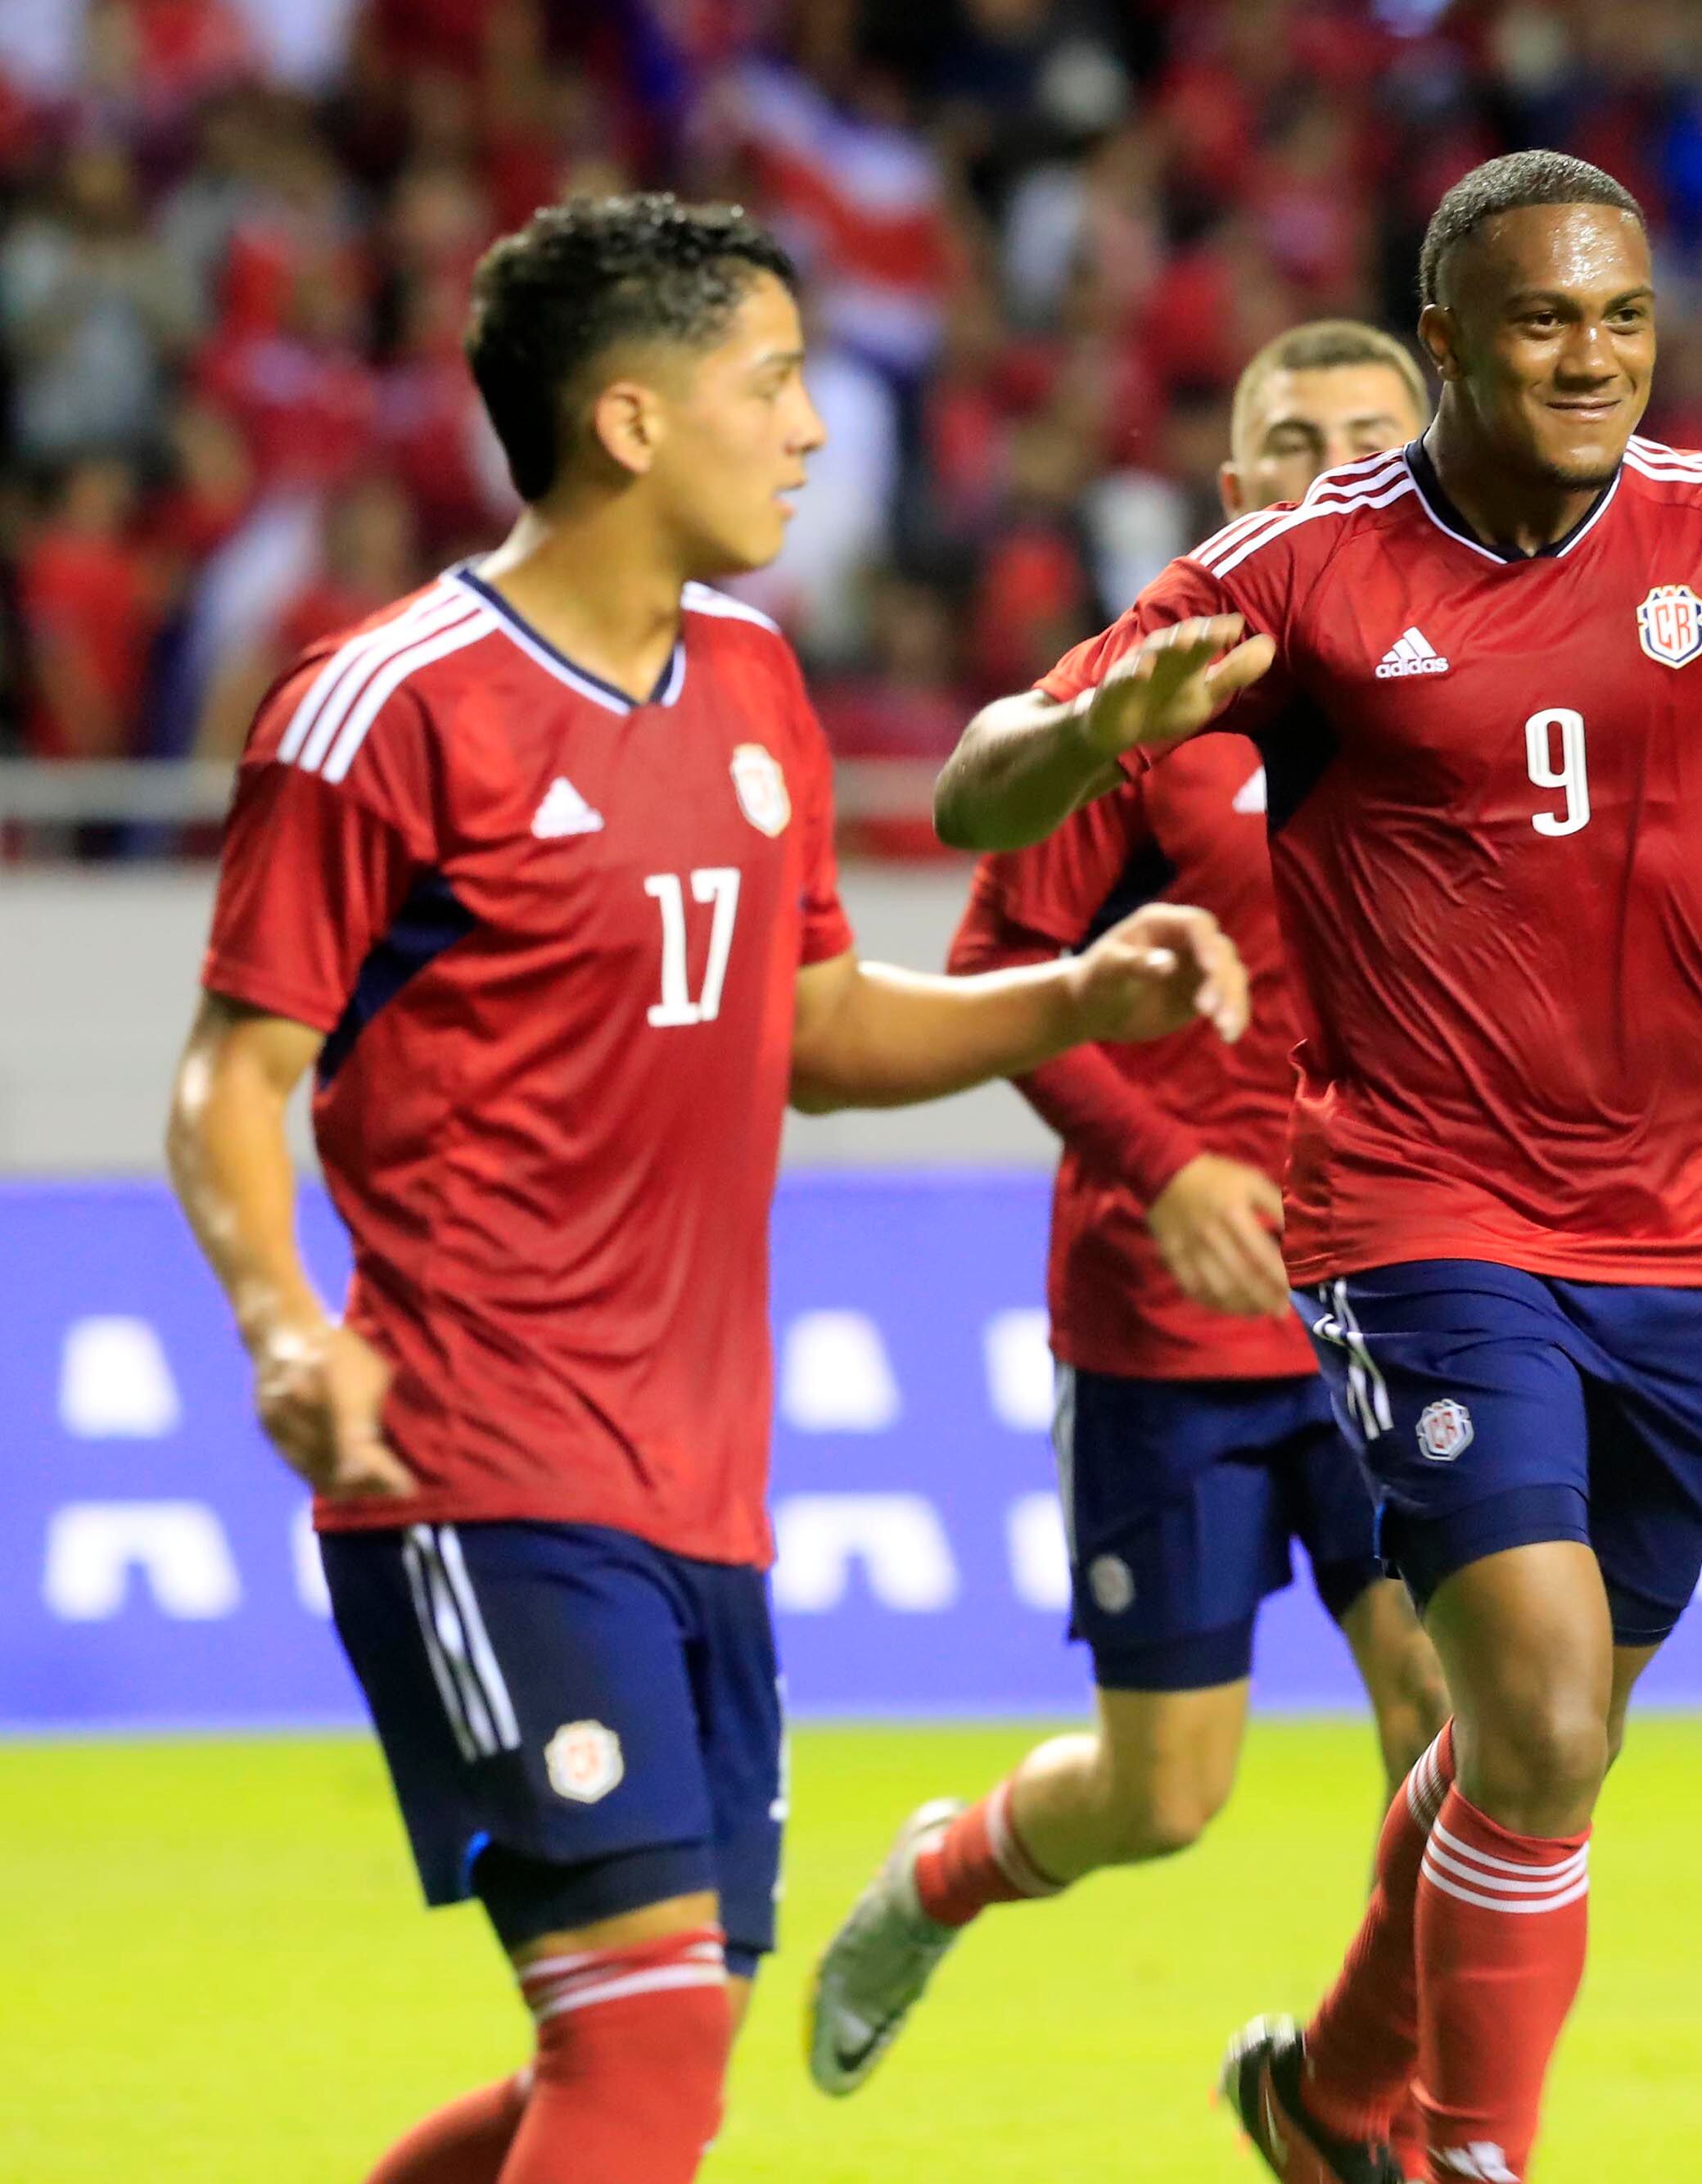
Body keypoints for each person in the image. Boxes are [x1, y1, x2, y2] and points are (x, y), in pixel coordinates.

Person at [934, 151, 1702, 2183]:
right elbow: (977, 793)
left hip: (1680, 1230)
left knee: (1533, 1748)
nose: (1591, 357)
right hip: (1416, 1211)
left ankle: (1324, 2093)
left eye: (1622, 317)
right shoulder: (1300, 567)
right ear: (1447, 340)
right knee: (1542, 1722)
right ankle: (1471, 2155)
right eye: (1544, 319)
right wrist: (1094, 725)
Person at [165, 193, 1251, 2184]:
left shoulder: (751, 679)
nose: (813, 430)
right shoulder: (385, 707)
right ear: (632, 421)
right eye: (775, 381)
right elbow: (232, 1075)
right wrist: (282, 1323)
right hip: (476, 1458)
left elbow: (814, 1025)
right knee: (644, 2040)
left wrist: (1071, 994)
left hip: (700, 1481)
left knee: (638, 2051)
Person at [803, 320, 1453, 2101]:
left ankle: (1376, 2101)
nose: (1334, 463)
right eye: (1293, 439)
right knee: (1163, 1791)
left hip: (1399, 1298)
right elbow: (993, 968)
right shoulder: (1151, 693)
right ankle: (946, 1872)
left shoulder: (1478, 686)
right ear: (1234, 486)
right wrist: (1165, 1169)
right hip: (1167, 1320)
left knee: (1457, 1723)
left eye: (1372, 433)